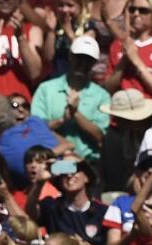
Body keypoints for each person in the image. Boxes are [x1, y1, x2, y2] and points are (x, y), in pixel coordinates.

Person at [33, 35, 112, 167]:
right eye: (79, 58)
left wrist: (75, 113)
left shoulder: (101, 96)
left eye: (88, 59)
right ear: (70, 56)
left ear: (94, 63)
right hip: (52, 161)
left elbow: (100, 136)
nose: (83, 63)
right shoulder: (47, 89)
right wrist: (61, 120)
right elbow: (35, 128)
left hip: (86, 164)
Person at [106, 0, 152, 99]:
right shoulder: (117, 45)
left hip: (151, 110)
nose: (136, 14)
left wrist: (136, 61)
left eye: (143, 11)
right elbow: (107, 89)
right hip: (120, 109)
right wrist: (123, 61)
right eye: (132, 10)